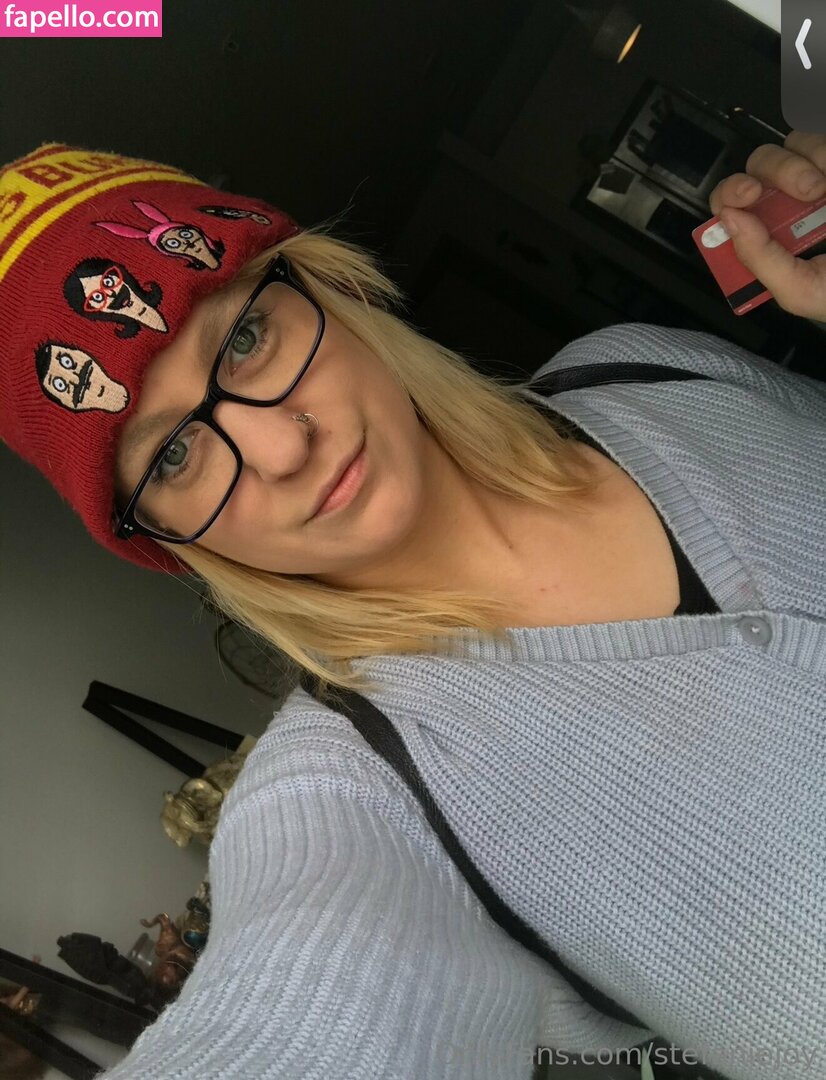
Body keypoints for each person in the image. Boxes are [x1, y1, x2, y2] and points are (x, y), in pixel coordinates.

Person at [0, 134, 823, 1080]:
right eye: (174, 456)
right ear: (168, 540)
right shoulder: (359, 791)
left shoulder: (643, 368)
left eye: (245, 340)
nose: (280, 450)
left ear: (326, 287)